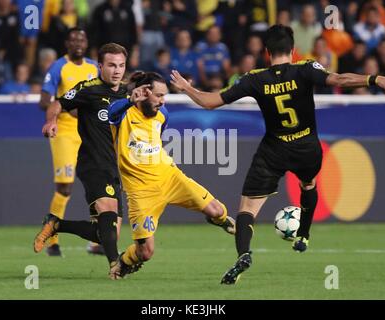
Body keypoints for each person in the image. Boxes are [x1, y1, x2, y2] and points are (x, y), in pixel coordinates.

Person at [170, 24, 385, 285]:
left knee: (247, 208)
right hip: (307, 146)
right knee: (309, 183)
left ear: (267, 51)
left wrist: (186, 88)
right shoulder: (306, 68)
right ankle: (303, 234)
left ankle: (244, 254)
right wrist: (374, 79)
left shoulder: (254, 78)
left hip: (274, 149)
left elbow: (210, 102)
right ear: (292, 50)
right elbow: (339, 80)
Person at [106, 71, 236, 279]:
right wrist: (130, 100)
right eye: (158, 95)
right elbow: (111, 113)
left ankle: (220, 221)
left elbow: (158, 131)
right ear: (144, 92)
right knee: (146, 252)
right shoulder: (123, 112)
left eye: (164, 95)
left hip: (170, 177)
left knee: (217, 210)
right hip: (141, 191)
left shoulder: (162, 114)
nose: (162, 101)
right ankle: (125, 261)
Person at [34, 43, 129, 279]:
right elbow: (57, 103)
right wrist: (51, 121)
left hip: (117, 166)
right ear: (100, 66)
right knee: (108, 213)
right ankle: (115, 266)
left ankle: (57, 224)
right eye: (111, 65)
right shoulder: (88, 89)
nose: (117, 70)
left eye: (121, 65)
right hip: (93, 163)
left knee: (106, 233)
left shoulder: (128, 93)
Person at [39, 27, 100, 256]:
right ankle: (51, 239)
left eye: (82, 39)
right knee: (65, 187)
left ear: (86, 43)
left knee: (97, 184)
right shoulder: (58, 67)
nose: (78, 43)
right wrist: (66, 106)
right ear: (67, 43)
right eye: (74, 39)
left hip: (90, 133)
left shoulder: (95, 67)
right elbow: (43, 100)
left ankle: (97, 241)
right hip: (64, 132)